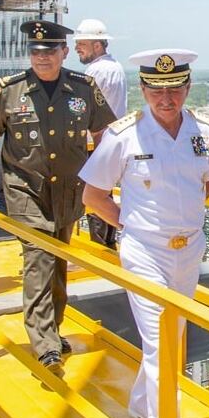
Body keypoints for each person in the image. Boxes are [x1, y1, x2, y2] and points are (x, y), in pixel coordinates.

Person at [0, 20, 115, 369]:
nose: (41, 58)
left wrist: (108, 175)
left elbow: (102, 132)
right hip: (26, 189)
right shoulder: (11, 91)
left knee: (57, 259)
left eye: (49, 52)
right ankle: (44, 344)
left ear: (64, 52)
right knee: (39, 256)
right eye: (35, 52)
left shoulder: (83, 88)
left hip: (68, 190)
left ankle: (54, 330)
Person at [79, 49, 209, 418]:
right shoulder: (125, 136)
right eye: (157, 90)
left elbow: (207, 181)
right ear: (143, 90)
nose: (167, 98)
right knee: (163, 346)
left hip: (189, 249)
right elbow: (92, 195)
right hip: (145, 251)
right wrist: (136, 224)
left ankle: (142, 403)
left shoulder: (204, 133)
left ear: (187, 88)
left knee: (170, 336)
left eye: (175, 88)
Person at [74, 18, 127, 251]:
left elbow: (81, 108)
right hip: (111, 140)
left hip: (96, 141)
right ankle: (107, 244)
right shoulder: (115, 66)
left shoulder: (96, 70)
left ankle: (100, 249)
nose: (77, 48)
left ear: (97, 45)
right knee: (104, 193)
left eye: (82, 44)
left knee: (93, 195)